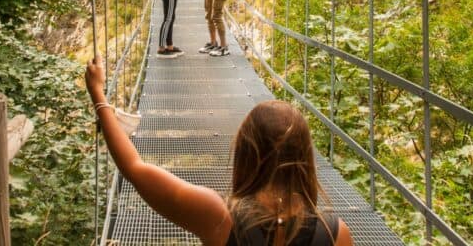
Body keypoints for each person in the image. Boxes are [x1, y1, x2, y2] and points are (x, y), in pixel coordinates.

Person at [85, 57, 354, 245]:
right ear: (305, 159)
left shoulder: (218, 217)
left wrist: (98, 94)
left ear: (246, 151)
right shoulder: (335, 234)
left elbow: (135, 168)